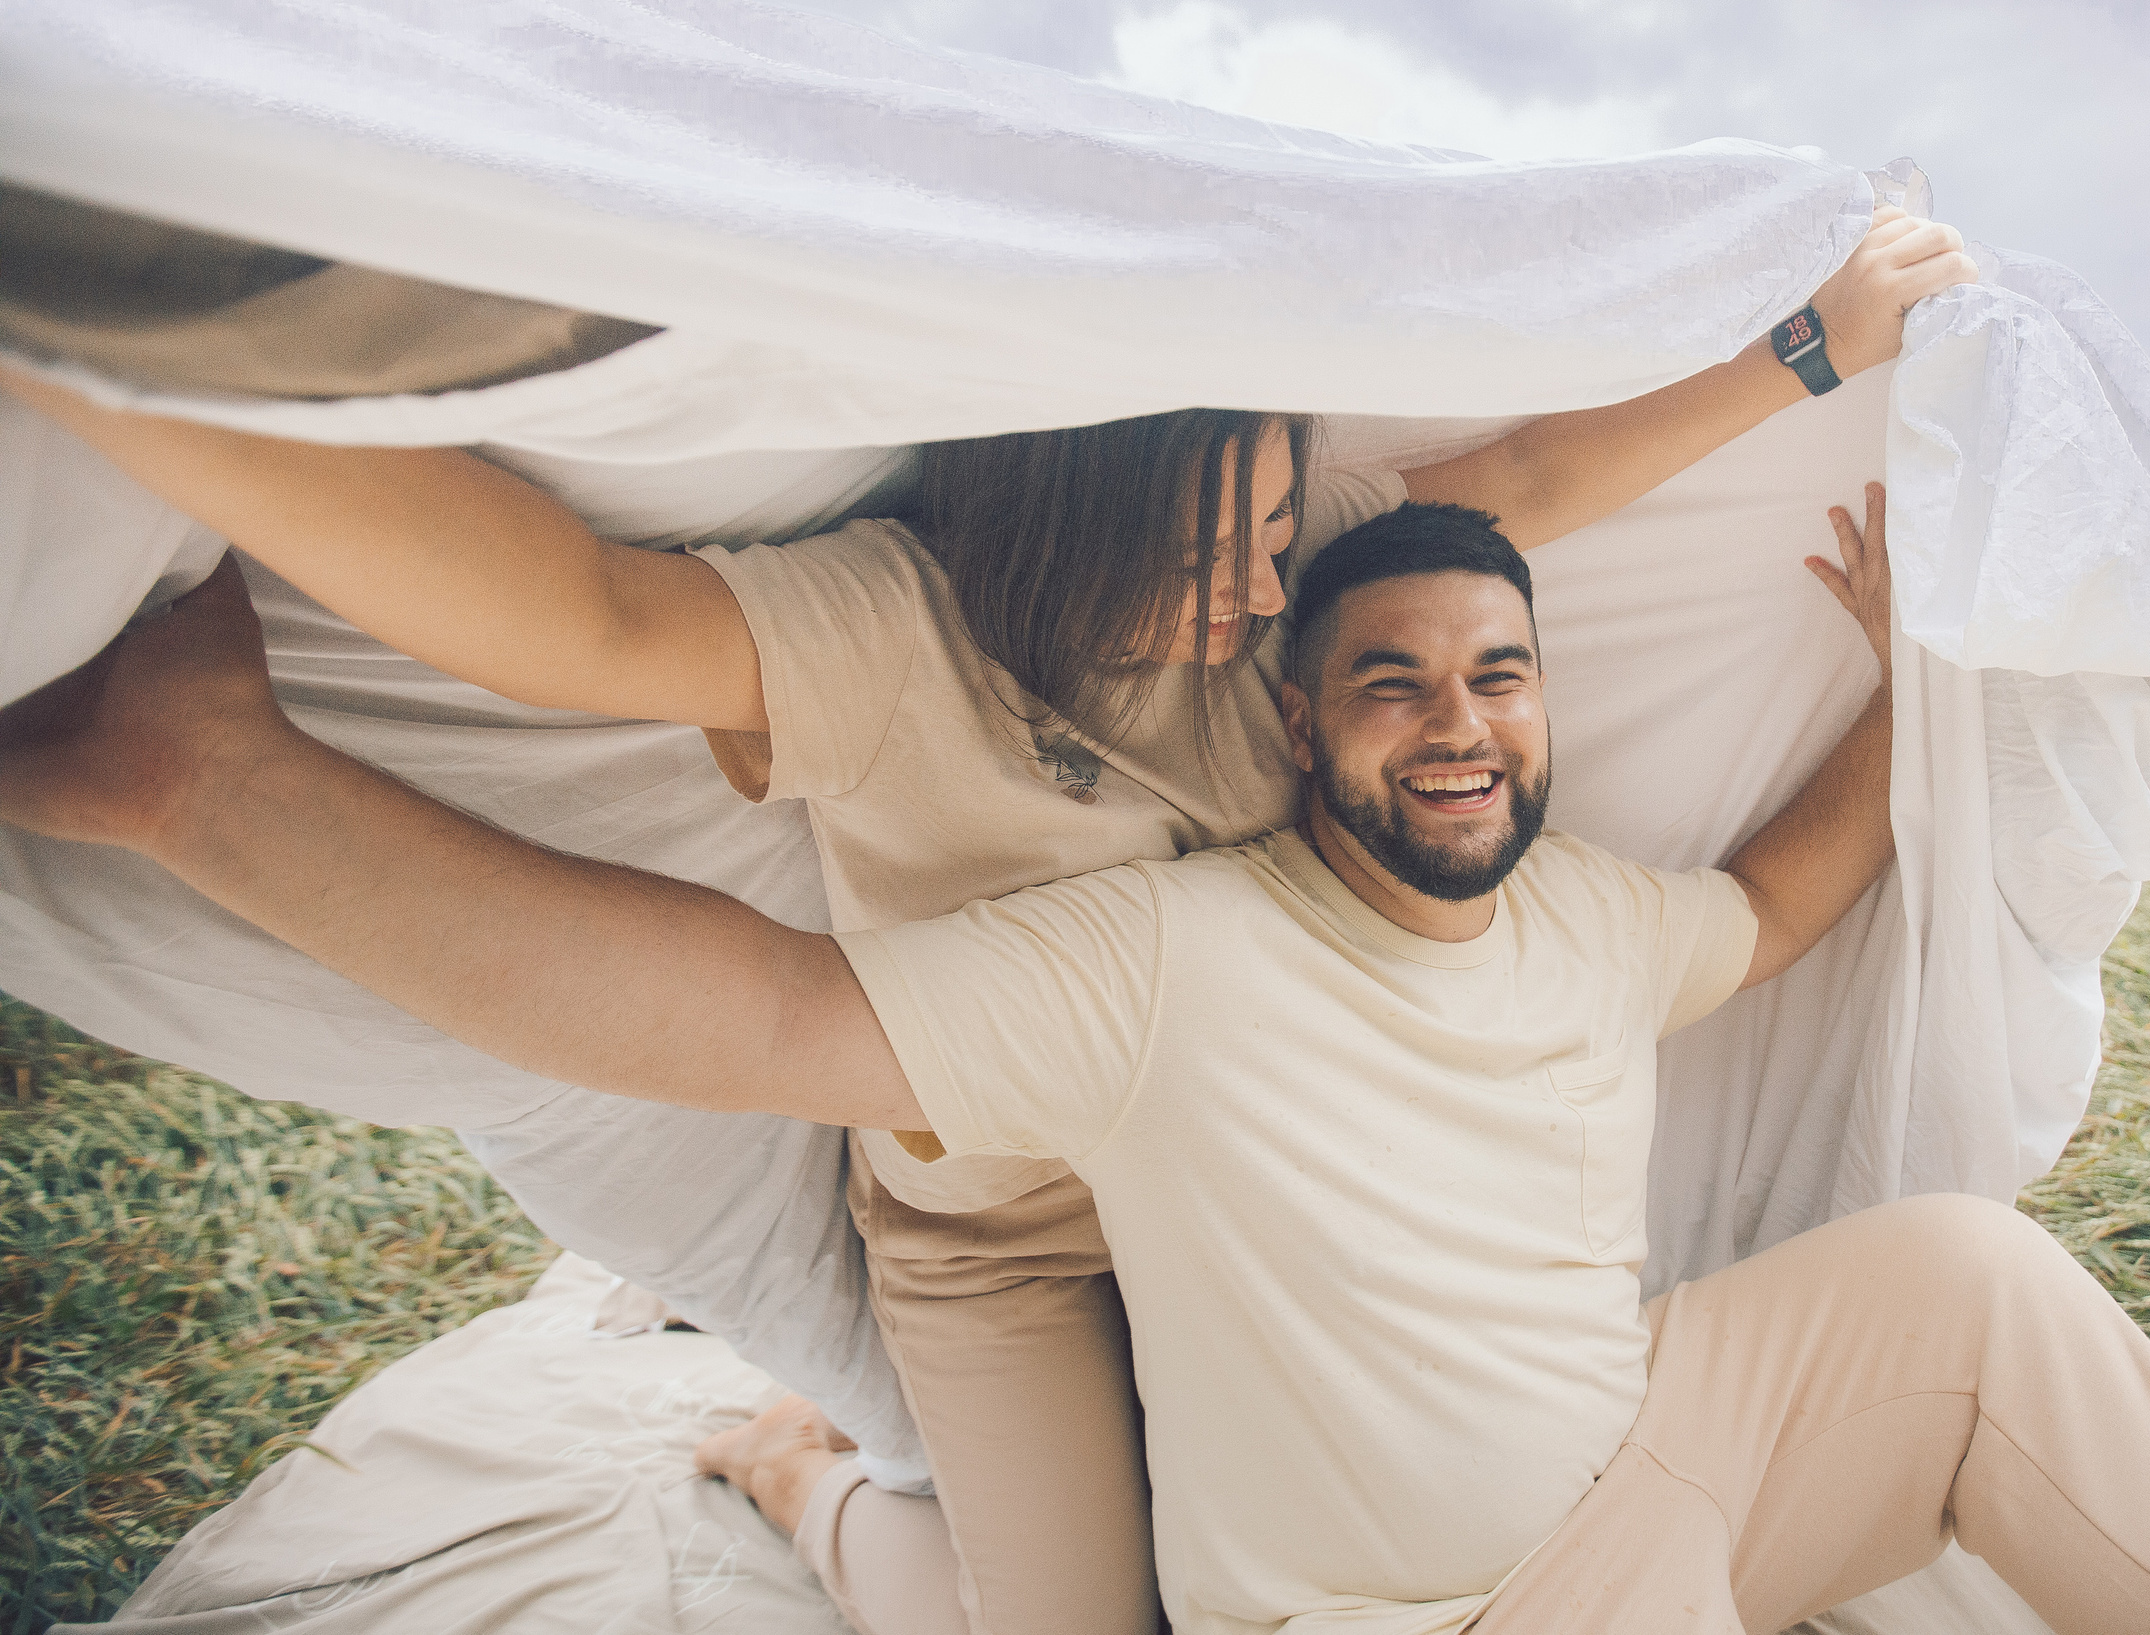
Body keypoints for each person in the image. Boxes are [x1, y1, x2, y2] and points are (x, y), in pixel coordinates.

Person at [1, 204, 1976, 1633]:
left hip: (1253, 1189)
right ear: (1076, 502)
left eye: (1288, 537)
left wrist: (1811, 345)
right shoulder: (894, 629)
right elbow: (574, 618)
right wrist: (87, 342)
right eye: (1233, 541)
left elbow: (1530, 474)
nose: (1270, 580)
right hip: (1008, 1240)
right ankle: (801, 1473)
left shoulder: (1289, 630)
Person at [0, 494, 2150, 1635]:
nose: (1455, 722)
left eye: (1496, 672)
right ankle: (792, 1470)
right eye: (1391, 679)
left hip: (1655, 1504)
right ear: (1300, 718)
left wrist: (1924, 679)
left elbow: (1778, 898)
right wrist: (237, 793)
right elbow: (754, 1016)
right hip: (1406, 1623)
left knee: (1967, 1281)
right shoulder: (1164, 952)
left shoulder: (1586, 916)